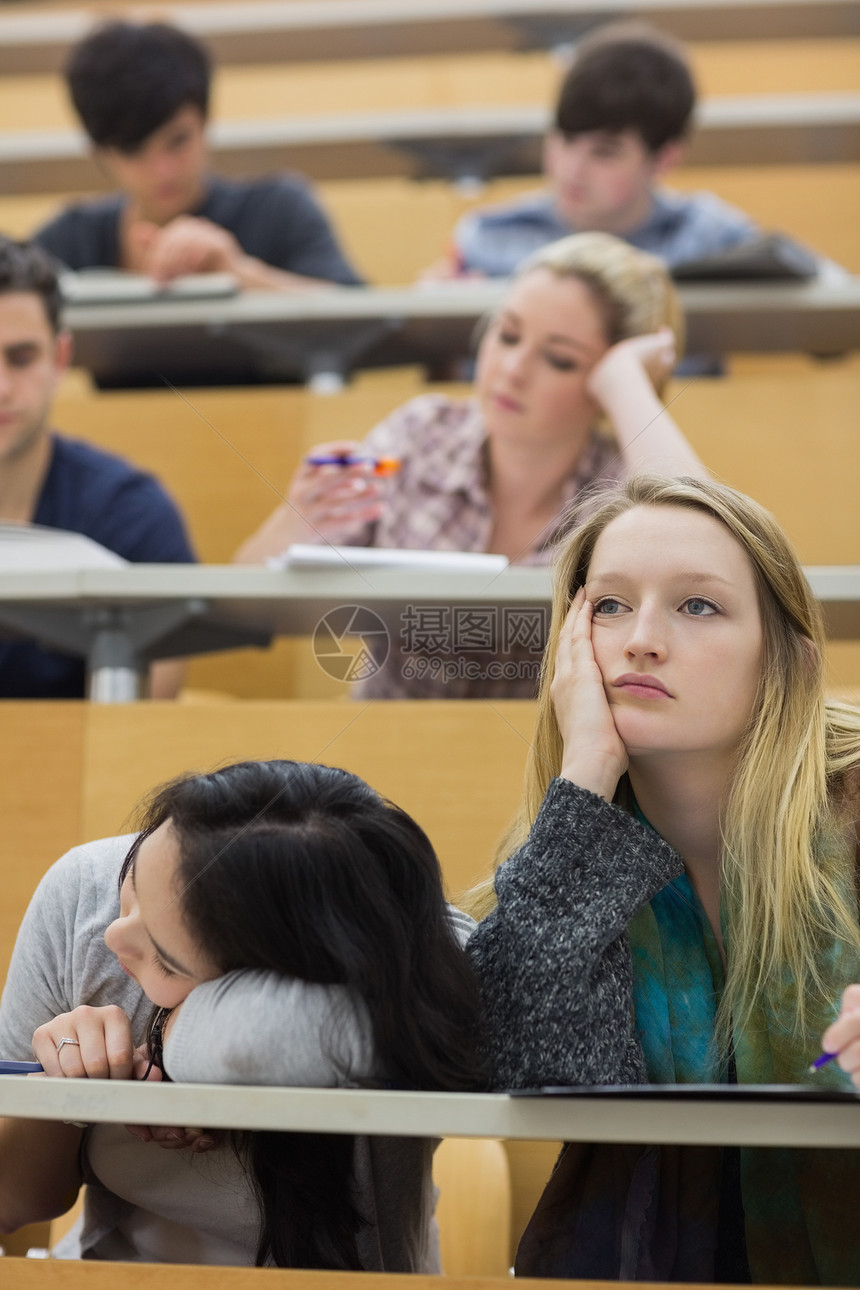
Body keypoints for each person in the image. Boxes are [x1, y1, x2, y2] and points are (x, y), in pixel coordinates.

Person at [464, 475, 860, 1284]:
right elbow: (522, 1059)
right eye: (608, 606)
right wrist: (584, 776)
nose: (640, 639)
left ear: (788, 661)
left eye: (698, 607)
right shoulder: (576, 843)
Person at [0, 759, 482, 1267]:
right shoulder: (84, 894)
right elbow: (14, 1202)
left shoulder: (420, 953)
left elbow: (255, 1043)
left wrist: (172, 1042)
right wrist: (68, 1091)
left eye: (166, 959)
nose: (114, 935)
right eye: (134, 880)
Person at [236, 232, 707, 698]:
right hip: (382, 739)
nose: (512, 369)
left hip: (550, 760)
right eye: (507, 334)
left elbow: (697, 542)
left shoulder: (626, 488)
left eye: (560, 360)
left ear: (600, 388)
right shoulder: (419, 433)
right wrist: (292, 523)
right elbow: (246, 599)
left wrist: (625, 379)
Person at [0, 237, 194, 698]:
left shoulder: (131, 511)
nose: (1, 388)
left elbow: (139, 724)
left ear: (61, 358)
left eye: (21, 358)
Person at [33, 21, 361, 291]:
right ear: (99, 153)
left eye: (177, 141)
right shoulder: (73, 238)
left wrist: (238, 273)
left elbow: (363, 319)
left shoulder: (278, 209)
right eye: (133, 150)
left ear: (206, 122)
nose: (162, 170)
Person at [431, 23, 764, 280]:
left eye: (605, 152)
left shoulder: (714, 239)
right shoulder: (489, 240)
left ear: (665, 158)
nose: (571, 170)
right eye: (565, 139)